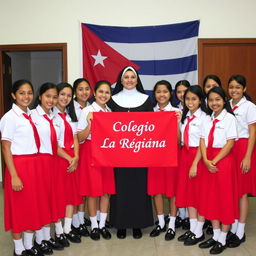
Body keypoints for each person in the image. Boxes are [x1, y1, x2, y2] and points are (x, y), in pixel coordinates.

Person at [108, 66, 154, 239]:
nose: (129, 80)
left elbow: (153, 127)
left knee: (139, 188)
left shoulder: (147, 101)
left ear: (137, 80)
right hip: (118, 155)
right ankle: (120, 224)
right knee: (119, 189)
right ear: (120, 80)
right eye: (126, 77)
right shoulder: (112, 101)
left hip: (140, 154)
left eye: (132, 77)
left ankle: (137, 224)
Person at [0, 80, 43, 256]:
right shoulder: (9, 117)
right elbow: (5, 147)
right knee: (18, 209)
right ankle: (18, 250)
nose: (26, 96)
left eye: (29, 92)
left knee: (31, 207)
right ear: (13, 95)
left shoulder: (31, 114)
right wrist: (14, 175)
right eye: (22, 93)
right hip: (18, 167)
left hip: (33, 165)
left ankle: (28, 245)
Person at [198, 87, 238, 254]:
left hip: (223, 162)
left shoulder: (229, 119)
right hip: (208, 161)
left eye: (218, 99)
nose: (214, 103)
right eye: (211, 100)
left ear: (224, 100)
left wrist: (213, 161)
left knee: (225, 200)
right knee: (211, 199)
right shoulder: (207, 119)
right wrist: (206, 160)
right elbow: (202, 140)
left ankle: (222, 238)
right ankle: (215, 235)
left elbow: (230, 143)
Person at [77, 80, 115, 240]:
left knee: (106, 191)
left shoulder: (110, 112)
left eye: (107, 92)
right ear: (95, 92)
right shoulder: (87, 110)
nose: (103, 95)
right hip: (90, 151)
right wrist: (91, 124)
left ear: (110, 95)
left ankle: (102, 224)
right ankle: (93, 226)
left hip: (107, 153)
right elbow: (79, 137)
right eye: (101, 92)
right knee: (93, 192)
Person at [31, 82, 64, 254]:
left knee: (50, 201)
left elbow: (55, 145)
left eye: (54, 97)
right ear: (40, 96)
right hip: (37, 164)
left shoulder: (54, 117)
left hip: (52, 163)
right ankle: (38, 239)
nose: (51, 100)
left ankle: (45, 236)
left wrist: (70, 158)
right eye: (48, 96)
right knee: (39, 202)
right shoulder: (32, 117)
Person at [175, 85, 210, 246]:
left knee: (200, 195)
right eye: (187, 98)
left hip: (198, 158)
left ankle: (199, 230)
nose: (190, 102)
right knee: (188, 194)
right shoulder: (184, 116)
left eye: (194, 99)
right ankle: (193, 227)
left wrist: (195, 163)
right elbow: (179, 139)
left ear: (200, 100)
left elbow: (203, 144)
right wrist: (176, 123)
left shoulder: (205, 118)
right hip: (185, 156)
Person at [147, 80, 180, 241]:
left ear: (170, 94)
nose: (162, 94)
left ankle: (172, 224)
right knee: (157, 191)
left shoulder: (176, 112)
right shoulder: (150, 112)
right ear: (154, 94)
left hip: (171, 157)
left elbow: (180, 140)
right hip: (154, 158)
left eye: (165, 91)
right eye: (158, 91)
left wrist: (177, 122)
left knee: (172, 191)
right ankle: (160, 222)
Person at [227, 75, 256, 248]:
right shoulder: (227, 105)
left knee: (242, 192)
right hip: (230, 149)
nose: (234, 90)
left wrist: (247, 156)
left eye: (238, 87)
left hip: (244, 149)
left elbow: (253, 132)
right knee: (233, 189)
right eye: (231, 87)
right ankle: (234, 225)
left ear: (244, 89)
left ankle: (240, 231)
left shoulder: (250, 107)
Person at [53, 83, 83, 245]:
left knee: (71, 194)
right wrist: (69, 158)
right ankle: (58, 232)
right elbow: (52, 143)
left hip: (72, 158)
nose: (65, 98)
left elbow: (76, 138)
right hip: (59, 158)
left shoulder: (72, 116)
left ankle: (67, 228)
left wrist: (76, 157)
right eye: (62, 94)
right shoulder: (50, 116)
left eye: (68, 95)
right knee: (59, 195)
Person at [71, 78, 92, 237]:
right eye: (80, 89)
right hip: (71, 151)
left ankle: (80, 219)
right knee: (76, 189)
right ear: (75, 92)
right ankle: (75, 222)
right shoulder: (69, 108)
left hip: (85, 151)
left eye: (86, 89)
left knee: (83, 187)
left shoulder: (92, 108)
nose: (84, 92)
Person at [173, 80, 190, 229]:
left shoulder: (196, 109)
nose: (182, 94)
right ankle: (181, 214)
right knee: (180, 183)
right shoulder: (175, 109)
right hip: (177, 150)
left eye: (185, 91)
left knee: (190, 183)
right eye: (179, 91)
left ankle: (191, 217)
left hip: (192, 151)